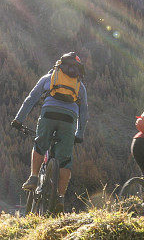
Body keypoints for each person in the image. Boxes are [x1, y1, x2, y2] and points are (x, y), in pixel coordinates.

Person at [11, 52, 88, 212]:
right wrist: (79, 133)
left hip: (49, 114)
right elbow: (84, 111)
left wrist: (19, 120)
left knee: (40, 145)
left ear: (59, 65)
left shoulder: (49, 78)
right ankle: (60, 197)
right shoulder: (80, 86)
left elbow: (31, 98)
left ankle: (33, 177)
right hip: (69, 119)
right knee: (65, 160)